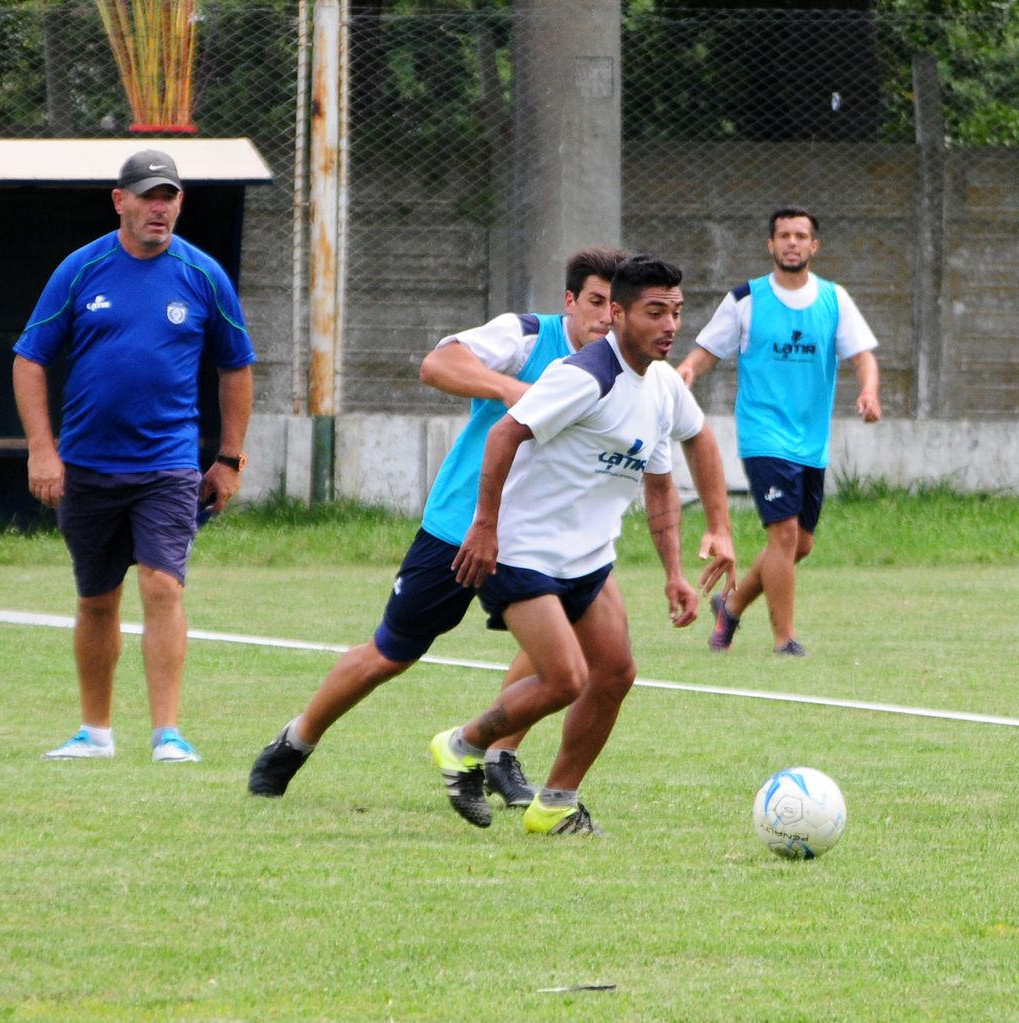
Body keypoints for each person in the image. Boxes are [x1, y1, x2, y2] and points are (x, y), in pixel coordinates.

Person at [246, 246, 707, 803]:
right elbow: (436, 365)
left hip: (545, 543)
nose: (605, 316)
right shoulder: (531, 339)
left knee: (568, 656)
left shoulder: (636, 379)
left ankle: (498, 755)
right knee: (391, 653)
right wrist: (511, 389)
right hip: (462, 526)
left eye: (618, 305)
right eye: (596, 301)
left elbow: (664, 462)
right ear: (573, 301)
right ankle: (297, 741)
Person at [428, 254, 735, 836]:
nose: (670, 325)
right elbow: (504, 431)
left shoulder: (664, 385)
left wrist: (674, 571)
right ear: (617, 314)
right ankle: (462, 744)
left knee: (616, 673)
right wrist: (485, 526)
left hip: (589, 560)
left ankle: (557, 802)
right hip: (521, 552)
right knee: (565, 678)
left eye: (676, 312)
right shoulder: (586, 374)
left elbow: (664, 480)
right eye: (655, 312)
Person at [13, 149, 256, 764]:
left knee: (162, 587)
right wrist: (44, 451)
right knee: (97, 598)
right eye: (148, 195)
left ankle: (166, 733)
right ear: (119, 200)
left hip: (168, 465)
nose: (160, 207)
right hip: (89, 464)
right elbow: (29, 359)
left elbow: (237, 367)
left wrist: (228, 459)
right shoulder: (80, 269)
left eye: (169, 196)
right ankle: (95, 733)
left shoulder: (202, 275)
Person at [677, 205, 881, 657]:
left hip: (811, 441)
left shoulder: (834, 299)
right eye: (784, 235)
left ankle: (729, 607)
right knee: (784, 536)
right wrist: (689, 370)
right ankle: (784, 639)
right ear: (770, 245)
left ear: (814, 245)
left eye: (800, 235)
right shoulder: (746, 299)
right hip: (764, 435)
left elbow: (863, 356)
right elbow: (708, 348)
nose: (792, 242)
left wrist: (869, 391)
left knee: (799, 545)